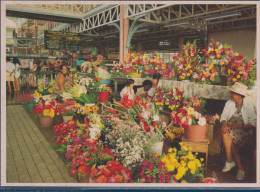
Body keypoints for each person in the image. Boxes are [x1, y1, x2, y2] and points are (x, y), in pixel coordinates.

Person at [220, 82, 256, 181]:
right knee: (225, 131)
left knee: (227, 135)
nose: (231, 95)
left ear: (240, 96)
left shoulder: (248, 105)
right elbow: (223, 116)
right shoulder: (229, 103)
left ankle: (231, 163)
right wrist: (224, 124)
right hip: (231, 129)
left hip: (245, 131)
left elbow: (253, 123)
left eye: (233, 93)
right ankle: (237, 166)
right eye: (231, 92)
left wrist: (238, 126)